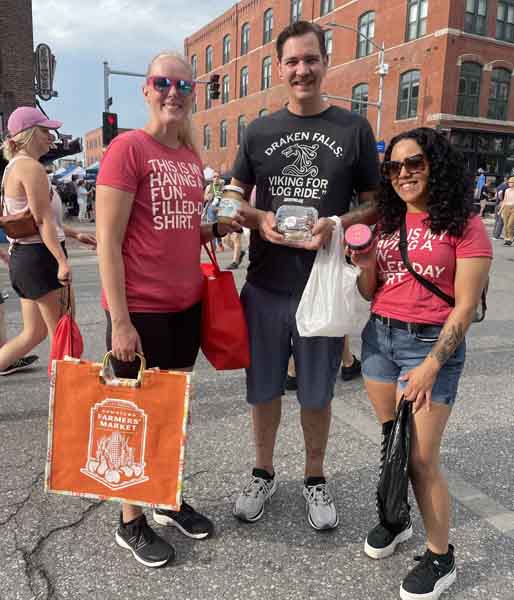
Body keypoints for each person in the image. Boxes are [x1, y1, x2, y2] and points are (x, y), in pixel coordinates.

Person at [229, 21, 380, 530]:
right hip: (266, 285)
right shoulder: (258, 130)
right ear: (279, 67)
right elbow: (233, 195)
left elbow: (375, 203)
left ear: (325, 61)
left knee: (317, 395)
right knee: (264, 390)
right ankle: (263, 471)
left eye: (311, 59)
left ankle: (315, 478)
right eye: (292, 61)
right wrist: (257, 218)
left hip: (325, 289)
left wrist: (336, 223)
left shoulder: (353, 128)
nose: (302, 70)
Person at [95, 50, 241, 568]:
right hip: (141, 312)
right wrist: (120, 321)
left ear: (194, 91)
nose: (173, 92)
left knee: (172, 416)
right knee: (136, 419)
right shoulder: (127, 149)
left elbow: (173, 228)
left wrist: (214, 228)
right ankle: (129, 521)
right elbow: (108, 241)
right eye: (163, 83)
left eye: (183, 85)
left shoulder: (189, 157)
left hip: (186, 308)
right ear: (146, 89)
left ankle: (165, 496)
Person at [350, 128, 491, 599]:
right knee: (393, 441)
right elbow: (371, 291)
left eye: (414, 164)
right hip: (379, 340)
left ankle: (440, 557)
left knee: (421, 458)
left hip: (431, 347)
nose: (404, 174)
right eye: (394, 167)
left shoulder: (465, 224)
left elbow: (466, 306)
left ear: (436, 165)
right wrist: (366, 262)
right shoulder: (387, 221)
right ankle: (396, 518)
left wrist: (432, 364)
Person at [0, 107, 95, 375]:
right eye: (45, 131)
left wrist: (75, 233)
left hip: (25, 258)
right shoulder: (30, 168)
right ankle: (70, 400)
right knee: (64, 339)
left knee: (34, 333)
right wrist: (62, 261)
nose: (50, 137)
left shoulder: (14, 167)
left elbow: (37, 218)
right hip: (40, 258)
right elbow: (42, 221)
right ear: (28, 135)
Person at [500, 176, 514, 246]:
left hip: (513, 208)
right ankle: (507, 239)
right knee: (505, 225)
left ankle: (511, 238)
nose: (509, 183)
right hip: (506, 208)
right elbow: (504, 200)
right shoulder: (507, 190)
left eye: (511, 182)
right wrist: (500, 210)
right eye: (509, 182)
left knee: (510, 224)